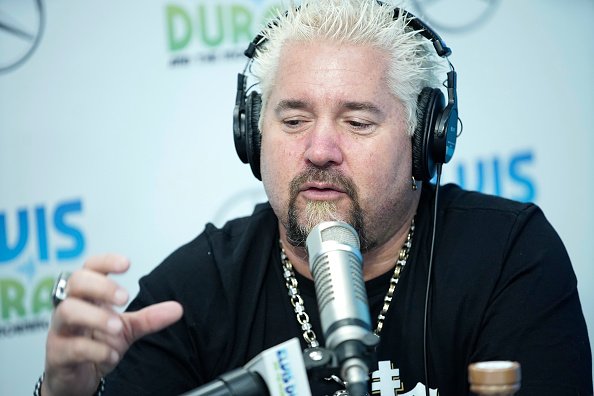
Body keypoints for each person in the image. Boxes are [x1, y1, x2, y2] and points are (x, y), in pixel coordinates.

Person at [38, 1, 592, 395]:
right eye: (294, 118)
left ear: (425, 140)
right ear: (253, 134)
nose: (320, 149)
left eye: (357, 121)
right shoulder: (192, 291)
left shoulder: (508, 255)